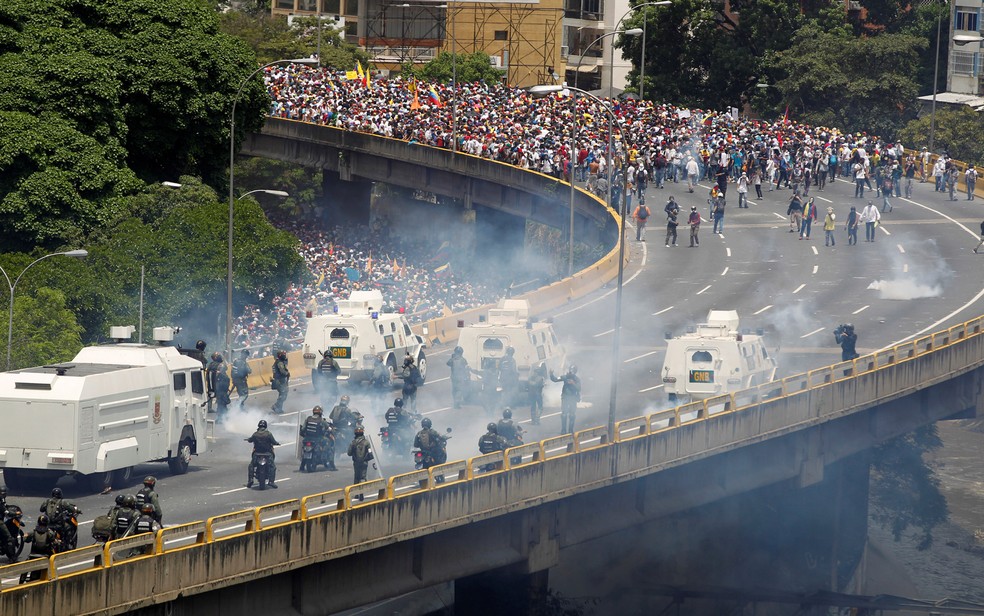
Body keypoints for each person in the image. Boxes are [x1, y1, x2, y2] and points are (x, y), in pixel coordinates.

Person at [246, 419, 279, 489]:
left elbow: (250, 439)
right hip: (268, 454)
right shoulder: (268, 434)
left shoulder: (255, 434)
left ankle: (250, 480)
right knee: (272, 467)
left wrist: (248, 439)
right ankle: (271, 481)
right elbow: (274, 441)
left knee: (251, 466)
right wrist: (277, 443)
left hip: (257, 454)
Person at [300, 405, 334, 471]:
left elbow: (303, 428)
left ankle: (302, 466)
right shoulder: (321, 420)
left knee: (304, 451)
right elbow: (329, 428)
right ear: (320, 413)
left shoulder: (308, 419)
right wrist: (331, 429)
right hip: (318, 439)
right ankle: (328, 460)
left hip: (307, 439)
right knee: (328, 443)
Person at [550, 365, 582, 434]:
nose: (570, 372)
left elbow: (579, 388)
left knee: (572, 415)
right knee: (564, 414)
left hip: (573, 398)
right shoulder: (565, 377)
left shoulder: (577, 379)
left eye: (572, 371)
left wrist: (573, 383)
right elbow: (555, 379)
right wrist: (551, 374)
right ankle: (563, 430)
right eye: (570, 370)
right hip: (565, 398)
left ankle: (570, 430)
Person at [271, 350, 290, 414]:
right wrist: (287, 373)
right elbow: (283, 372)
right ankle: (276, 406)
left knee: (282, 394)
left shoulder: (277, 362)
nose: (285, 356)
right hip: (279, 381)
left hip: (277, 380)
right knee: (283, 394)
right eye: (284, 354)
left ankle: (279, 408)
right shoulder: (279, 363)